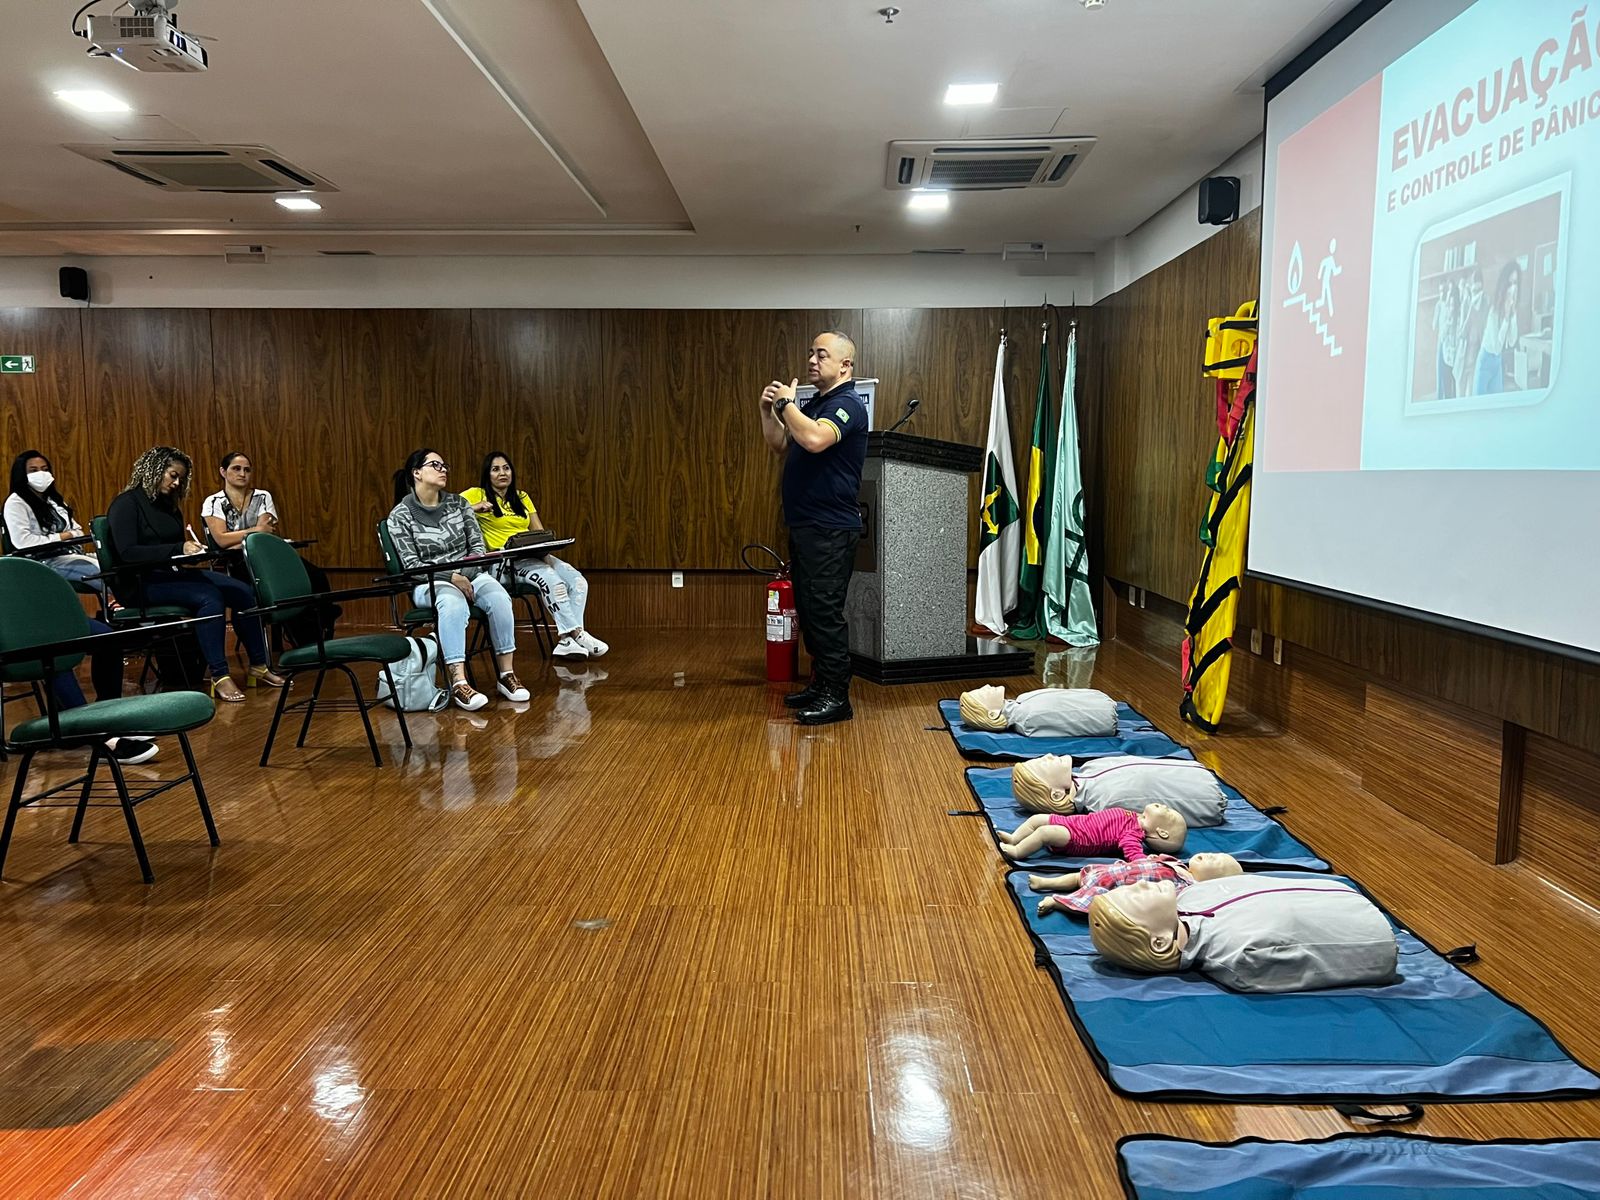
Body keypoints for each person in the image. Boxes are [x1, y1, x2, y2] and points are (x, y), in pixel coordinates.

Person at [105, 446, 285, 703]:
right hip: (138, 582)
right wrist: (179, 548)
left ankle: (259, 665)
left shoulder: (169, 506)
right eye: (172, 475)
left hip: (169, 574)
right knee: (209, 597)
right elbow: (127, 553)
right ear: (154, 470)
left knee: (242, 591)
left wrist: (192, 552)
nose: (177, 483)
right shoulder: (126, 503)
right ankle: (219, 675)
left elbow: (173, 549)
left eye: (181, 478)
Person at [759, 330, 869, 726]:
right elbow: (781, 444)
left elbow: (814, 439)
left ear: (845, 365)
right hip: (807, 525)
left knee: (824, 612)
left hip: (830, 529)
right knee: (808, 610)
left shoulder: (848, 404)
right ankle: (820, 684)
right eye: (811, 353)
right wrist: (768, 411)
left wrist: (787, 404)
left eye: (822, 355)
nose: (811, 360)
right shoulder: (818, 403)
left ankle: (837, 697)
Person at [386, 448, 528, 712]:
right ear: (416, 473)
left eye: (444, 465)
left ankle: (506, 675)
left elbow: (477, 547)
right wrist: (452, 577)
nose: (443, 470)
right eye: (435, 465)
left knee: (499, 597)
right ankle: (459, 682)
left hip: (469, 575)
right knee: (453, 603)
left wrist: (465, 575)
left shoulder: (459, 505)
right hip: (428, 582)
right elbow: (412, 566)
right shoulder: (400, 515)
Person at [1086, 875, 1399, 993]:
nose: (1140, 883)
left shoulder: (1193, 896)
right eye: (1135, 896)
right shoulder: (1241, 956)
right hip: (1371, 929)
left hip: (1343, 892)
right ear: (1159, 941)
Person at [460, 451, 606, 661]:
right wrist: (475, 508)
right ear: (487, 474)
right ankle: (576, 634)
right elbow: (448, 511)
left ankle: (567, 642)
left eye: (506, 468)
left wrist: (545, 554)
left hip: (531, 553)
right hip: (503, 562)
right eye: (495, 469)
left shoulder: (522, 497)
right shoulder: (476, 493)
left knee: (578, 582)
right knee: (552, 580)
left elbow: (539, 532)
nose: (502, 473)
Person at [200, 451, 339, 645]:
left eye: (247, 470)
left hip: (268, 555)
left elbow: (264, 534)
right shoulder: (213, 501)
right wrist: (255, 530)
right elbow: (222, 540)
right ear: (223, 472)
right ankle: (303, 638)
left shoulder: (262, 496)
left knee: (315, 576)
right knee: (280, 586)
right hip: (239, 561)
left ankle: (319, 629)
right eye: (236, 469)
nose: (242, 474)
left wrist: (242, 536)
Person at [4, 451, 104, 596]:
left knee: (114, 564)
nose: (41, 474)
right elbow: (23, 542)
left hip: (69, 554)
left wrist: (67, 535)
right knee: (101, 571)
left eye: (45, 469)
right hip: (42, 562)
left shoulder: (54, 500)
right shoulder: (15, 502)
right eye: (33, 470)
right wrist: (62, 537)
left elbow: (77, 531)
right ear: (22, 474)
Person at [1029, 851, 1242, 917]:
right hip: (1116, 870)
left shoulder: (1188, 887)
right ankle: (1047, 882)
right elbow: (1157, 858)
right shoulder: (1177, 863)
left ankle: (1056, 901)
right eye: (1214, 853)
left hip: (1118, 888)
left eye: (1216, 861)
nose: (1210, 855)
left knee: (1089, 900)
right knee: (1082, 875)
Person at [997, 804, 1187, 862]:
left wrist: (1145, 861)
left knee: (1044, 833)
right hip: (1073, 822)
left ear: (1162, 832)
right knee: (1036, 819)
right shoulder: (1135, 816)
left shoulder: (1134, 834)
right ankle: (1015, 838)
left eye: (1168, 812)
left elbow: (1133, 854)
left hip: (1078, 838)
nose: (1165, 806)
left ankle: (1018, 852)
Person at [1474, 261, 1522, 395]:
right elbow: (1495, 346)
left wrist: (1512, 316)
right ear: (1504, 285)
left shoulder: (1511, 311)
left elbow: (1512, 341)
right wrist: (1506, 318)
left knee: (1497, 401)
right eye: (1509, 283)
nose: (1512, 288)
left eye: (1515, 283)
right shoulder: (1494, 312)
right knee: (1479, 403)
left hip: (1497, 362)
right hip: (1485, 360)